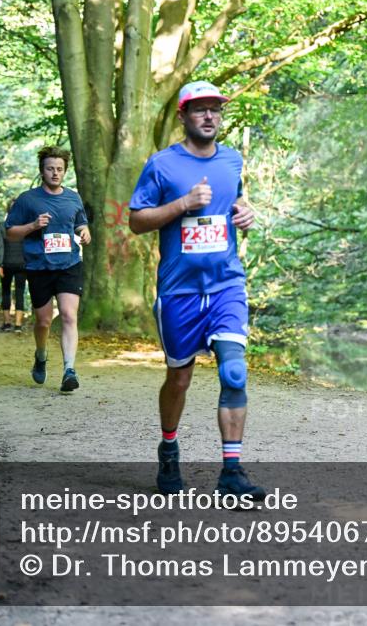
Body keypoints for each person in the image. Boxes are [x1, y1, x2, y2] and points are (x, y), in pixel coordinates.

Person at [128, 80, 261, 499]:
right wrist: (182, 204)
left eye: (215, 110)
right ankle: (169, 447)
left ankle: (232, 473)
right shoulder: (162, 165)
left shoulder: (232, 160)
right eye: (200, 110)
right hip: (179, 292)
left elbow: (235, 200)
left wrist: (245, 210)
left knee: (234, 372)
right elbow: (136, 221)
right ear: (183, 116)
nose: (209, 116)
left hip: (226, 283)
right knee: (179, 379)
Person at [5, 146, 91, 392]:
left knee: (68, 314)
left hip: (69, 264)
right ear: (42, 171)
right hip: (39, 267)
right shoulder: (27, 199)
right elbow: (10, 234)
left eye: (60, 169)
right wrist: (33, 225)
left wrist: (84, 234)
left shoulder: (73, 198)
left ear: (65, 171)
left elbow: (81, 226)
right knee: (43, 321)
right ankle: (41, 355)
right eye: (50, 169)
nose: (55, 173)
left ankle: (69, 370)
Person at [0, 199, 27, 332]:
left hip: (8, 263)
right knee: (19, 292)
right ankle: (18, 325)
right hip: (22, 264)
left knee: (6, 292)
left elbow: (0, 247)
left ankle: (8, 323)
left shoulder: (2, 225)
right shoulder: (26, 226)